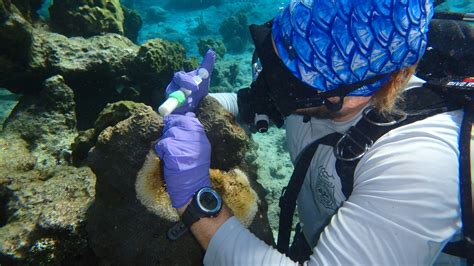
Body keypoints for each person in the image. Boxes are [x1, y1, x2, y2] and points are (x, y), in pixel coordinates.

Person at [155, 0, 468, 264]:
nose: (271, 82)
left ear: (344, 92)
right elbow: (256, 104)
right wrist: (199, 104)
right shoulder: (323, 84)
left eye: (287, 77)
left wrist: (197, 199)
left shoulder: (418, 168)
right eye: (276, 54)